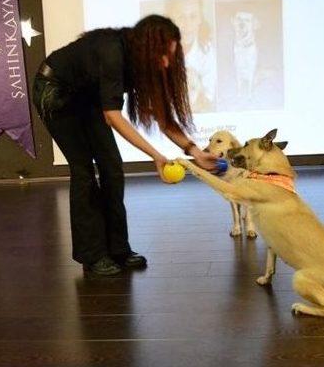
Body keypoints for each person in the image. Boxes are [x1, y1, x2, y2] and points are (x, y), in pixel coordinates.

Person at [32, 15, 217, 277]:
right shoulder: (112, 52)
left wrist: (194, 151)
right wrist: (156, 156)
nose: (166, 62)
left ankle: (118, 249)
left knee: (112, 168)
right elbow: (113, 116)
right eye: (163, 55)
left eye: (170, 56)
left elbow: (162, 117)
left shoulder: (143, 62)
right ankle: (92, 255)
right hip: (54, 90)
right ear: (148, 47)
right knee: (84, 170)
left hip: (87, 95)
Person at [165, 0, 217, 113]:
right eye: (181, 17)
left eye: (193, 17)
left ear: (200, 20)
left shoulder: (208, 52)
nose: (187, 24)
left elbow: (207, 99)